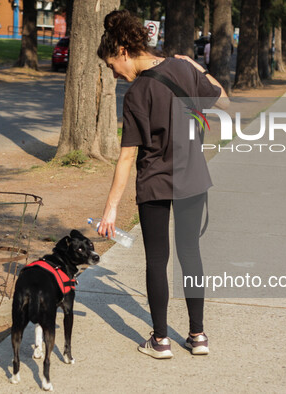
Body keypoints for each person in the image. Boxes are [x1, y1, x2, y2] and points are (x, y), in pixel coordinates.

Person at [96, 9, 228, 359]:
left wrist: (109, 210)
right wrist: (195, 66)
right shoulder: (182, 68)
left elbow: (126, 158)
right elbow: (223, 97)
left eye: (112, 65)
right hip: (193, 177)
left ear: (123, 50)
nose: (115, 74)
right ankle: (198, 336)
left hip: (155, 181)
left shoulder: (137, 93)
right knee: (190, 254)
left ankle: (160, 340)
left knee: (157, 258)